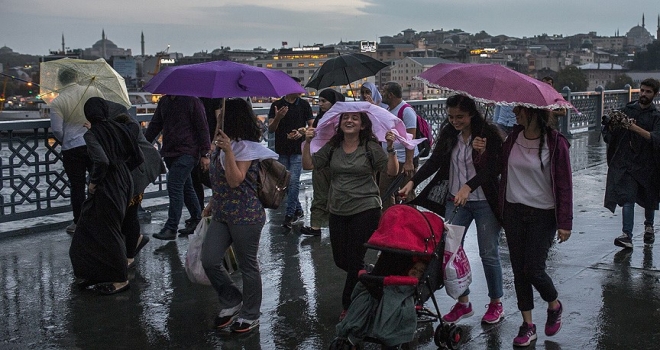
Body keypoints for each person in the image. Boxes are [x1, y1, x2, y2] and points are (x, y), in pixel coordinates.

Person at [399, 94, 505, 325]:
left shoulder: (487, 134)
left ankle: (496, 303)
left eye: (460, 117)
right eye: (450, 116)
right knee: (450, 252)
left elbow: (497, 166)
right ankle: (463, 303)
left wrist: (482, 154)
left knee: (488, 252)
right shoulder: (449, 134)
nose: (455, 121)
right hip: (455, 200)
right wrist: (412, 182)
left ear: (472, 115)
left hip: (484, 201)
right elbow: (435, 161)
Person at [302, 110, 399, 320]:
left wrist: (391, 149)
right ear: (340, 123)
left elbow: (391, 171)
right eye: (345, 117)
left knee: (354, 259)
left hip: (366, 208)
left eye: (355, 118)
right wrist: (307, 142)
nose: (349, 120)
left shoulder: (369, 147)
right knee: (341, 260)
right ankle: (370, 277)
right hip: (337, 209)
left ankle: (348, 305)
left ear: (363, 125)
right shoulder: (333, 146)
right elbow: (309, 165)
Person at [495, 106, 573, 347]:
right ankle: (528, 325)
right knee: (519, 271)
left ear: (534, 113)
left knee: (534, 269)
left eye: (520, 109)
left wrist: (565, 222)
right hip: (514, 212)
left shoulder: (555, 143)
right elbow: (497, 167)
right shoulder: (512, 138)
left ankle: (554, 304)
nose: (515, 112)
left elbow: (564, 184)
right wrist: (479, 152)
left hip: (543, 214)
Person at [201, 98, 275, 334]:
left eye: (221, 112)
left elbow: (235, 179)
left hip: (246, 214)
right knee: (209, 259)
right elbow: (220, 181)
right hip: (223, 212)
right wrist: (213, 201)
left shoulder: (246, 147)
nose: (217, 115)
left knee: (248, 266)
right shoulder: (222, 142)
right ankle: (232, 300)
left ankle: (250, 314)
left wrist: (228, 151)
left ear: (232, 117)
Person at [69, 97, 143, 295]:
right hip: (125, 179)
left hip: (108, 184)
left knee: (108, 230)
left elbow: (101, 161)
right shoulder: (118, 128)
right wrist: (122, 171)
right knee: (93, 226)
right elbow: (138, 156)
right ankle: (93, 272)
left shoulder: (92, 134)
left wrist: (94, 182)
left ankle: (120, 279)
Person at [107, 101, 166, 269]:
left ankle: (130, 255)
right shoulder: (124, 125)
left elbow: (122, 149)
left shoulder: (128, 127)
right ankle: (134, 242)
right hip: (133, 174)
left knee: (130, 212)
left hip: (138, 173)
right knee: (128, 213)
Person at [603, 78, 660, 248]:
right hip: (627, 162)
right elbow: (610, 133)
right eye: (642, 90)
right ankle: (626, 235)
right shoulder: (627, 110)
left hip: (647, 163)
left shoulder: (656, 117)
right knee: (627, 197)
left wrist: (634, 128)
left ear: (654, 94)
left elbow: (656, 138)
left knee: (649, 196)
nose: (643, 94)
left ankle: (648, 226)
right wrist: (612, 125)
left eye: (648, 92)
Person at [145, 95, 211, 240]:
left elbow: (202, 127)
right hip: (170, 152)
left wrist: (205, 153)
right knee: (187, 187)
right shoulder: (164, 102)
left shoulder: (192, 101)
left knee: (174, 185)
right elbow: (155, 125)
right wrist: (142, 143)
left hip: (188, 152)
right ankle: (197, 220)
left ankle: (171, 227)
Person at [49, 68, 103, 234]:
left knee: (77, 186)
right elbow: (103, 114)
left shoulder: (58, 101)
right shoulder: (93, 91)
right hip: (94, 144)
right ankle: (102, 218)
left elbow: (57, 129)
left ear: (61, 82)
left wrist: (67, 137)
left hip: (72, 148)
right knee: (99, 182)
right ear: (77, 78)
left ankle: (78, 222)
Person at [268, 77, 314, 228]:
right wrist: (278, 118)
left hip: (298, 150)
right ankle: (299, 209)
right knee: (285, 182)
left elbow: (312, 128)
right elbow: (271, 129)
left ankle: (289, 215)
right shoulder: (277, 105)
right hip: (282, 150)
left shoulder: (304, 105)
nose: (300, 89)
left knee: (293, 181)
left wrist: (302, 132)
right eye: (297, 86)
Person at [300, 88, 345, 236]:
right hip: (319, 159)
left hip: (336, 161)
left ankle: (334, 224)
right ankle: (315, 226)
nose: (320, 104)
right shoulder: (321, 118)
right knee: (320, 193)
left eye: (324, 101)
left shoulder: (341, 119)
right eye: (319, 101)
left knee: (336, 193)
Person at [379, 81, 419, 210]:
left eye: (383, 92)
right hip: (390, 158)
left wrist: (409, 161)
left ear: (390, 95)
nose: (381, 95)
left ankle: (411, 220)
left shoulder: (406, 111)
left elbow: (411, 138)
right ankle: (390, 218)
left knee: (406, 194)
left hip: (404, 160)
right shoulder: (388, 110)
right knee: (384, 191)